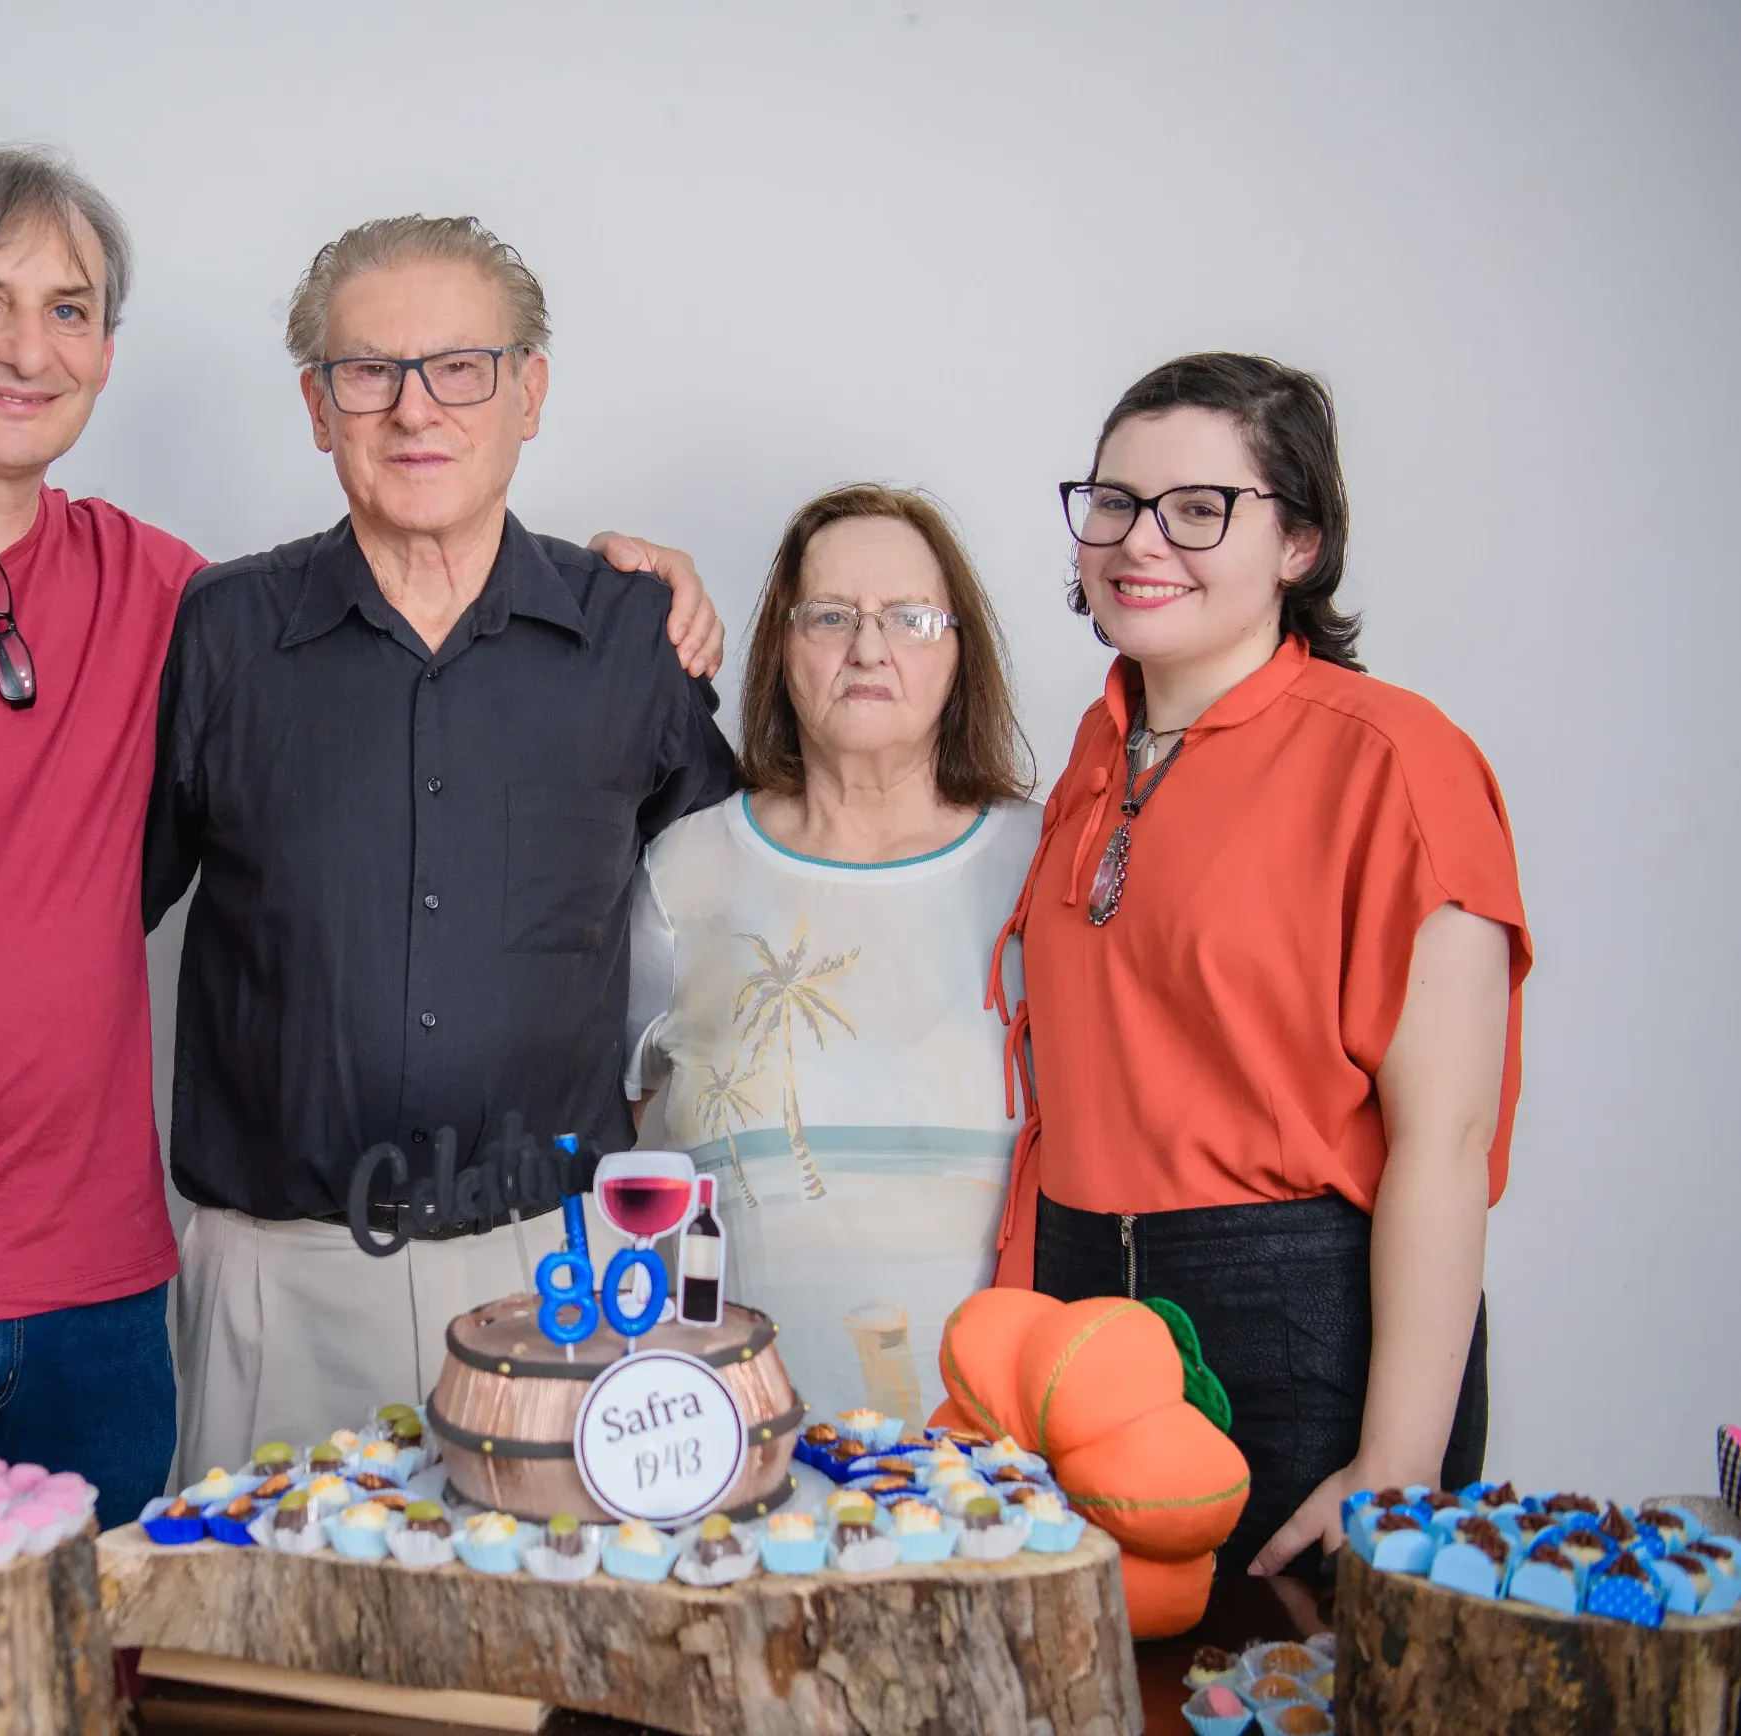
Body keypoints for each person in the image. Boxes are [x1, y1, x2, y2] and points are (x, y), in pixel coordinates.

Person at [0, 149, 717, 1521]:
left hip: (151, 1306)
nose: (24, 348)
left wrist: (646, 588)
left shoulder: (204, 604)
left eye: (67, 309)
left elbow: (717, 907)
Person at [142, 216, 738, 1478]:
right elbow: (77, 922)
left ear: (529, 392)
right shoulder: (220, 632)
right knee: (254, 1669)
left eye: (461, 366)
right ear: (317, 405)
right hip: (275, 1280)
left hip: (555, 1273)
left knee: (551, 1664)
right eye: (370, 370)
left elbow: (747, 923)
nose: (416, 408)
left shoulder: (631, 634)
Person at [989, 353, 1529, 1577]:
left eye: (1199, 508)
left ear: (1299, 544)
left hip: (1298, 1322)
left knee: (1297, 1694)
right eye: (1115, 501)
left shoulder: (1395, 759)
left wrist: (1394, 1461)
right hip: (1086, 1314)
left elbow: (1442, 1146)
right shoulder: (1100, 745)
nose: (1140, 541)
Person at [626, 484, 1037, 1424]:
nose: (869, 646)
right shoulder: (691, 866)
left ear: (959, 648)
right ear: (781, 645)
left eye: (910, 617)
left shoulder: (1043, 866)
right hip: (727, 1427)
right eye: (830, 616)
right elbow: (614, 1129)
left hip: (996, 1443)